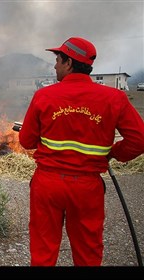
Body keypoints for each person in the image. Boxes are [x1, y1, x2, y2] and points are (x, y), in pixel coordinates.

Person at [18, 37, 144, 266]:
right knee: (88, 253)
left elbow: (26, 141)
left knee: (43, 251)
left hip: (48, 185)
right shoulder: (114, 98)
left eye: (57, 60)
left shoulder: (44, 96)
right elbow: (139, 140)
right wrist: (113, 153)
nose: (54, 65)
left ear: (68, 63)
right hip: (87, 188)